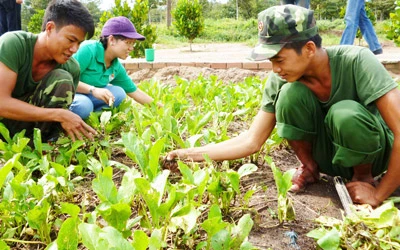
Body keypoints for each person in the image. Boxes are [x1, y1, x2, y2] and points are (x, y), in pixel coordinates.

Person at [166, 5, 400, 208]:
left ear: (308, 49)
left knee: (344, 113)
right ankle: (310, 168)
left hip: (373, 154)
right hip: (331, 157)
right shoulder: (281, 80)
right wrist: (187, 155)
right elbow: (251, 140)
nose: (275, 69)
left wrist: (379, 194)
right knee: (290, 95)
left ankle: (364, 179)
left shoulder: (358, 61)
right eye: (271, 61)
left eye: (279, 59)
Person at [0, 0, 97, 142]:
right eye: (71, 40)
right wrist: (58, 114)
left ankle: (39, 144)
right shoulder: (14, 44)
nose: (74, 49)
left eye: (79, 43)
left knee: (62, 78)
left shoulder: (71, 68)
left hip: (26, 132)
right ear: (50, 28)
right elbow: (1, 103)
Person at [69, 16, 156, 119]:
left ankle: (92, 117)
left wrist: (161, 109)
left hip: (88, 96)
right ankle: (68, 116)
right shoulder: (88, 50)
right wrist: (92, 89)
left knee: (119, 93)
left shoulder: (115, 66)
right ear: (111, 40)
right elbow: (64, 80)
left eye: (133, 44)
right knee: (84, 106)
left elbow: (135, 92)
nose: (131, 48)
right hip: (69, 95)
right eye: (128, 42)